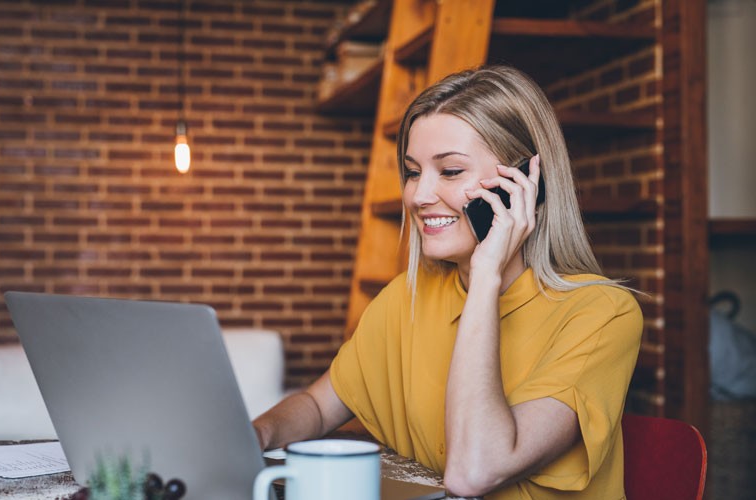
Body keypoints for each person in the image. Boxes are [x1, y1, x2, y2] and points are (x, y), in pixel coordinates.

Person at [252, 65, 643, 499]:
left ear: (528, 184)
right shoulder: (405, 298)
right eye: (413, 171)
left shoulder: (603, 313)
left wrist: (486, 275)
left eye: (451, 171)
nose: (419, 196)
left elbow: (473, 473)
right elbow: (316, 405)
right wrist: (256, 434)